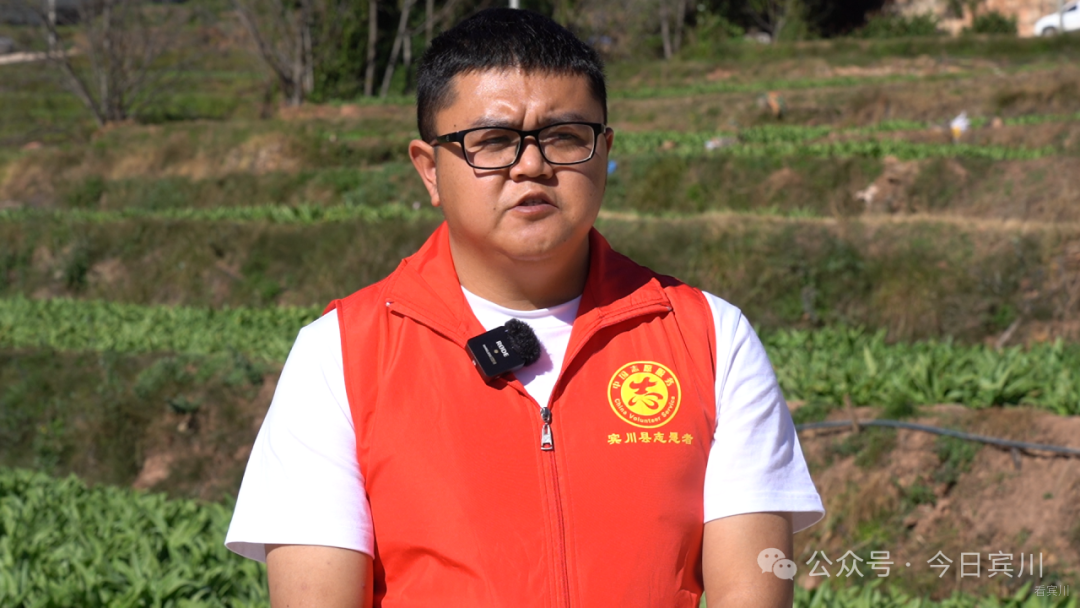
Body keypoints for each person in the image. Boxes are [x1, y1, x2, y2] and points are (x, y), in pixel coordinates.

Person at [225, 8, 824, 607]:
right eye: (492, 142)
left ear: (604, 152)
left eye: (564, 137)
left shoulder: (709, 336)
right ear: (429, 170)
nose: (532, 165)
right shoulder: (340, 355)